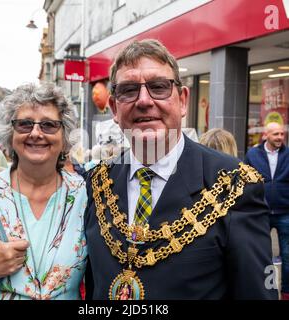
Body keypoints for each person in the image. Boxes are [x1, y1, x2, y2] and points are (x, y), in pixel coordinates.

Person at [84, 39, 277, 300]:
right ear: (115, 108)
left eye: (159, 87)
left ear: (183, 101)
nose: (143, 101)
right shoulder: (98, 183)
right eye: (129, 90)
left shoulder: (234, 184)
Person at [0, 83, 87, 300]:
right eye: (25, 124)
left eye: (48, 125)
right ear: (10, 134)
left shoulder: (85, 197)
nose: (36, 133)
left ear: (64, 135)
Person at [245, 122, 289, 300]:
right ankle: (266, 292)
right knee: (262, 255)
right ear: (266, 135)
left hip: (285, 212)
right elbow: (245, 180)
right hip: (260, 211)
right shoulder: (253, 154)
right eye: (276, 134)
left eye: (282, 134)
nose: (280, 137)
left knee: (287, 256)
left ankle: (286, 293)